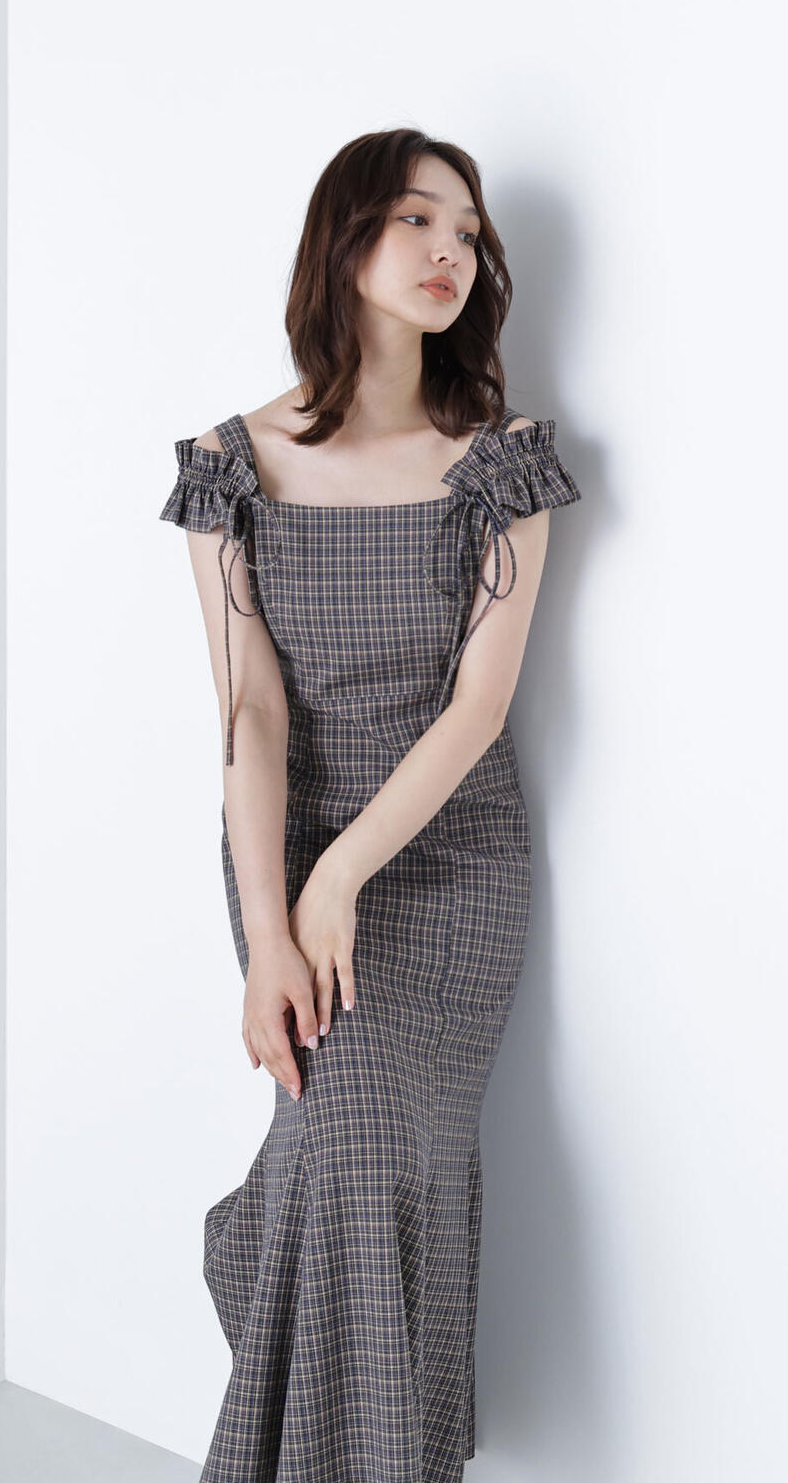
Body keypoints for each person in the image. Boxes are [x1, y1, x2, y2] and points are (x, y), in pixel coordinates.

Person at [159, 128, 582, 1483]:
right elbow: (250, 714)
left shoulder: (502, 462)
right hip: (281, 851)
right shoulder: (231, 464)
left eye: (469, 231)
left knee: (357, 1153)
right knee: (341, 1156)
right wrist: (273, 926)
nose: (451, 249)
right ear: (344, 238)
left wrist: (343, 879)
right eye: (418, 219)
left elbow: (477, 709)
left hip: (448, 861)